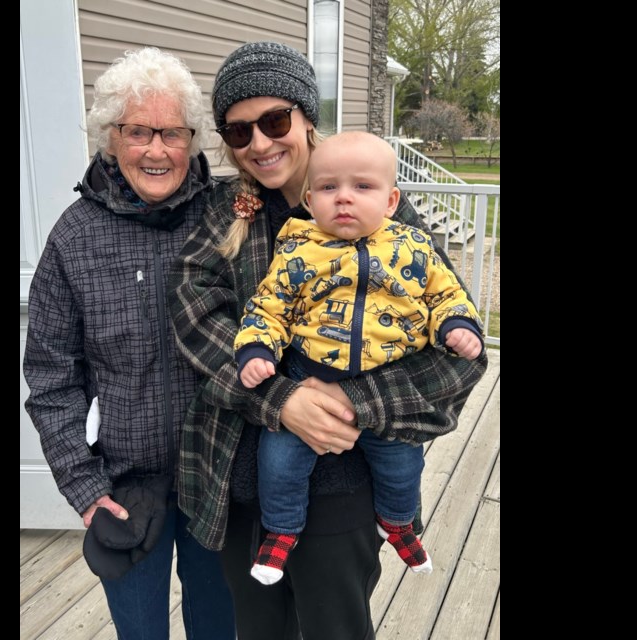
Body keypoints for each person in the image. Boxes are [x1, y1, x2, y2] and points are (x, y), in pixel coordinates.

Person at [168, 41, 487, 640]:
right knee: (258, 626)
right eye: (238, 132)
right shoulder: (227, 211)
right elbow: (193, 316)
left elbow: (460, 355)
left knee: (335, 624)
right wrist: (280, 399)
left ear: (307, 118)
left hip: (346, 479)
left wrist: (353, 404)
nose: (259, 143)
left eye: (274, 121)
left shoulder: (383, 215)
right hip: (244, 477)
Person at [23, 48, 234, 640]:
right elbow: (50, 376)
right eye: (137, 130)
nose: (156, 149)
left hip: (216, 472)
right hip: (124, 486)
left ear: (190, 141)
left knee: (219, 627)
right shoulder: (75, 235)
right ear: (109, 136)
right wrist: (85, 491)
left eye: (171, 133)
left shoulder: (229, 215)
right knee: (140, 631)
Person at [234, 131, 484, 585]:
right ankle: (281, 532)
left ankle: (398, 522)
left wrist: (456, 325)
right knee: (280, 460)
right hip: (310, 378)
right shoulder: (298, 250)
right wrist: (256, 348)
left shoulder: (413, 247)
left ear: (391, 201)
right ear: (310, 201)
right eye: (329, 188)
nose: (344, 198)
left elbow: (444, 292)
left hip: (385, 384)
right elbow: (269, 306)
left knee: (403, 461)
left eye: (362, 187)